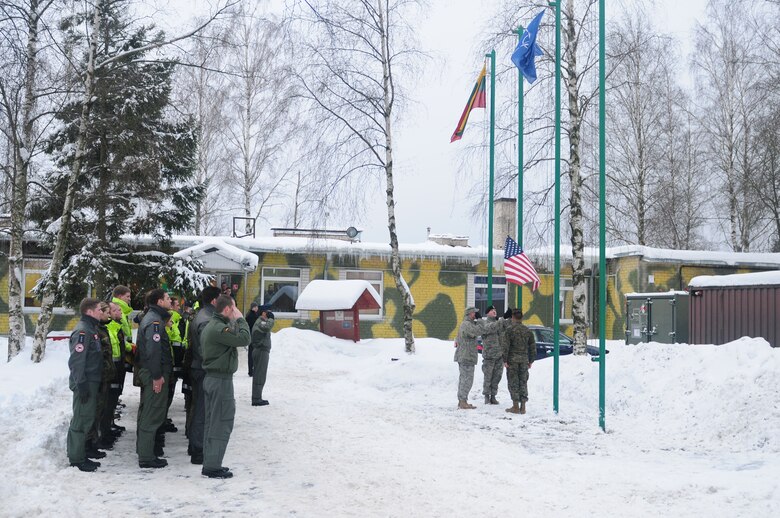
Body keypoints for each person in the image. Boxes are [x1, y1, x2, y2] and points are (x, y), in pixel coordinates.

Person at [201, 295, 251, 478]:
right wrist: (240, 318)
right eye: (234, 308)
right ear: (228, 309)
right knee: (221, 422)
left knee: (213, 422)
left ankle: (210, 462)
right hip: (220, 380)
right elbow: (245, 338)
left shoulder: (213, 325)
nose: (236, 312)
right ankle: (212, 466)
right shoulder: (218, 328)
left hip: (214, 378)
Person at [66, 298, 105, 472]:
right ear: (89, 312)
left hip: (91, 381)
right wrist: (81, 384)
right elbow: (76, 361)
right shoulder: (83, 332)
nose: (101, 312)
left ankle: (80, 453)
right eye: (98, 309)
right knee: (81, 420)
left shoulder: (91, 329)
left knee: (87, 418)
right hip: (85, 382)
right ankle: (76, 458)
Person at [135, 288, 172, 469]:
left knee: (150, 412)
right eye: (167, 298)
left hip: (152, 372)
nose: (170, 301)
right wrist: (157, 376)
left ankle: (145, 452)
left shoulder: (153, 318)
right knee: (152, 413)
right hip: (153, 374)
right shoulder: (154, 322)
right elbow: (153, 351)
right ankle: (146, 457)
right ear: (159, 302)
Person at [187, 286, 221, 465]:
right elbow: (206, 350)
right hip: (204, 369)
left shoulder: (204, 315)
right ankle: (198, 449)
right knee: (202, 410)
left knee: (199, 408)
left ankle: (196, 445)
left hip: (199, 368)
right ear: (214, 300)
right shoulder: (207, 319)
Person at [93, 302, 117, 450]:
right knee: (97, 411)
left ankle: (98, 439)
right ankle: (95, 441)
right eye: (107, 312)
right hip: (99, 377)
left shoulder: (102, 329)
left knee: (102, 408)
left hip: (105, 376)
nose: (109, 315)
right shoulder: (95, 330)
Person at [503, 309, 536, 414]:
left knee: (513, 382)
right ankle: (523, 407)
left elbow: (505, 346)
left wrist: (504, 360)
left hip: (512, 360)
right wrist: (531, 360)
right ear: (521, 318)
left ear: (512, 317)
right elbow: (532, 347)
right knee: (523, 382)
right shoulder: (527, 331)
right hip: (524, 360)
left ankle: (515, 406)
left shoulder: (509, 330)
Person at [104, 301, 128, 439]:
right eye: (116, 311)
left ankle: (109, 425)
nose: (120, 313)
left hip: (117, 368)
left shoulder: (116, 327)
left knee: (113, 399)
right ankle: (105, 430)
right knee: (107, 402)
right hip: (110, 371)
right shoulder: (108, 328)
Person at [453, 306, 482, 409]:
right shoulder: (466, 325)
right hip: (466, 356)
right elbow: (478, 331)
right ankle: (462, 401)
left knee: (465, 379)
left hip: (467, 356)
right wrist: (480, 320)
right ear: (470, 314)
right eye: (474, 313)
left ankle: (462, 400)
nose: (475, 315)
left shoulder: (467, 324)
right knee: (466, 380)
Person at [164, 296, 184, 433]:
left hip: (174, 362)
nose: (178, 307)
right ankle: (162, 418)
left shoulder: (176, 320)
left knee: (169, 393)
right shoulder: (171, 319)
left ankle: (164, 417)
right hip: (171, 363)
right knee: (167, 393)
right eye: (176, 305)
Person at [479, 305, 505, 405]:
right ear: (487, 313)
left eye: (495, 310)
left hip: (499, 355)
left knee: (497, 376)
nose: (494, 311)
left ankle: (493, 396)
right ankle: (486, 396)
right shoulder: (485, 323)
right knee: (488, 377)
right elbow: (490, 328)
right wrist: (500, 321)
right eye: (492, 310)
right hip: (489, 355)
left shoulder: (498, 323)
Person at [250, 308, 275, 406]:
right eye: (267, 312)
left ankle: (257, 397)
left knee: (260, 374)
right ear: (263, 313)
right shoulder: (260, 322)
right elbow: (267, 327)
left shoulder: (261, 322)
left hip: (262, 350)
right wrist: (271, 319)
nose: (269, 314)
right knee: (259, 375)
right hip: (261, 351)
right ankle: (256, 398)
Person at [245, 303, 260, 376]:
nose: (257, 308)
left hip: (251, 336)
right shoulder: (252, 315)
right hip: (252, 336)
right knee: (252, 354)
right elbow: (254, 326)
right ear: (253, 307)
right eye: (256, 307)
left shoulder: (250, 314)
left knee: (251, 354)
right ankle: (251, 371)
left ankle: (251, 370)